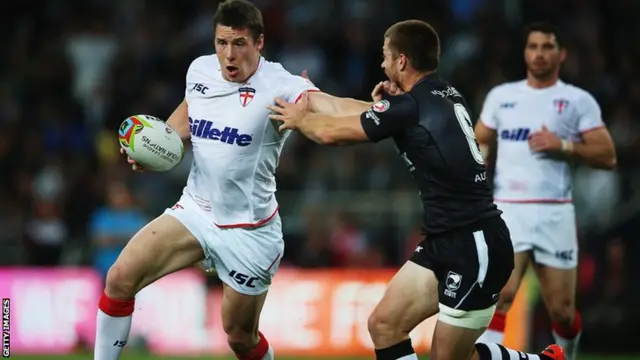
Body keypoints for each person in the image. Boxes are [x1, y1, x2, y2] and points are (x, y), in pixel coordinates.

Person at [268, 19, 564, 360]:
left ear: (401, 61)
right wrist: (314, 98)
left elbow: (332, 134)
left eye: (385, 56)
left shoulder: (411, 106)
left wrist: (300, 118)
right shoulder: (439, 93)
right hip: (444, 241)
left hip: (475, 245)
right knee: (384, 324)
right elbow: (363, 110)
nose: (381, 64)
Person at [95, 1, 370, 359]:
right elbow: (189, 113)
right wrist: (159, 145)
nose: (229, 54)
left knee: (240, 337)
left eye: (239, 43)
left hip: (249, 231)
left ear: (259, 43)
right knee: (119, 279)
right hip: (196, 211)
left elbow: (330, 105)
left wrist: (382, 110)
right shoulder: (200, 71)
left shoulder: (280, 84)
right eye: (221, 42)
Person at [472, 22, 616, 360]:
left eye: (547, 46)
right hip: (509, 209)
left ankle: (567, 354)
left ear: (561, 54)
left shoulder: (577, 101)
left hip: (555, 211)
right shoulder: (502, 97)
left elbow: (607, 155)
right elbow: (480, 140)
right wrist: (478, 170)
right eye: (533, 46)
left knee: (563, 313)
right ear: (525, 52)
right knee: (501, 294)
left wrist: (564, 145)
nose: (539, 53)